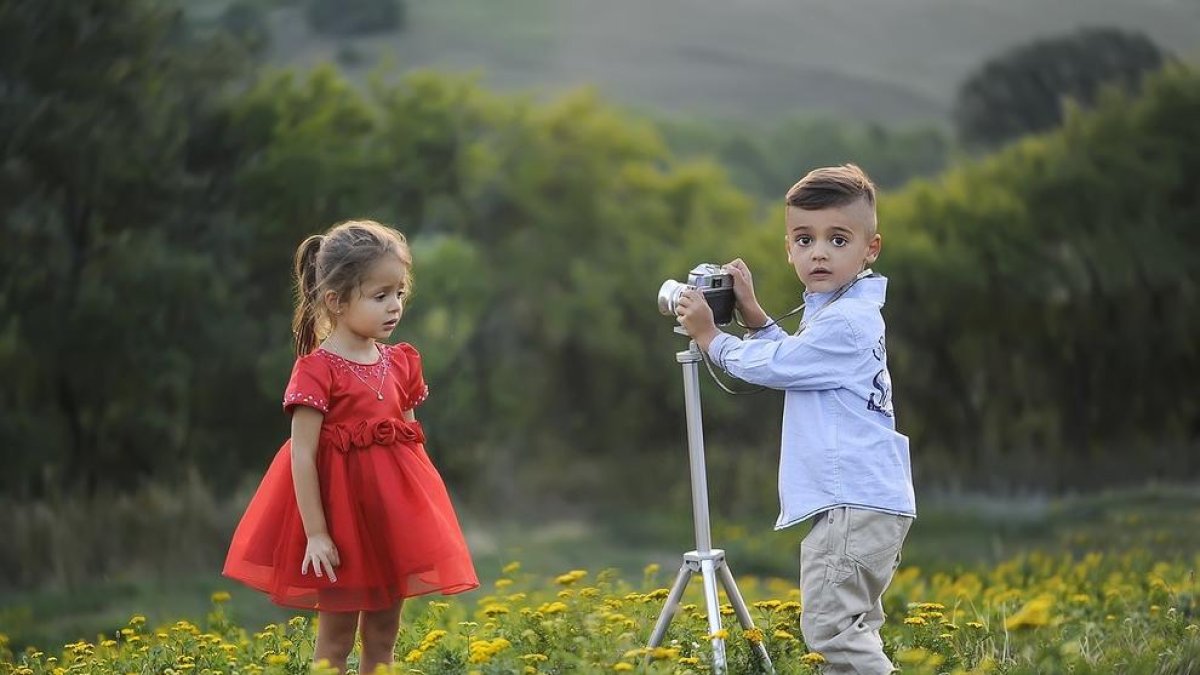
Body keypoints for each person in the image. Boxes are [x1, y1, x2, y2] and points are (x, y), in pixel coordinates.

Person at [674, 164, 915, 674]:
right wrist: (756, 317)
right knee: (851, 630)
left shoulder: (847, 321)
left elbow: (779, 367)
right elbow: (799, 361)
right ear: (788, 248)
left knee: (830, 628)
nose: (819, 252)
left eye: (838, 239)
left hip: (853, 499)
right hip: (866, 498)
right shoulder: (837, 309)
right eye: (804, 239)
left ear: (871, 248)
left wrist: (710, 338)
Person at [223, 219, 478, 674]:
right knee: (336, 642)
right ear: (336, 302)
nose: (394, 306)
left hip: (388, 524)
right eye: (379, 296)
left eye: (399, 293)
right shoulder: (317, 370)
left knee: (383, 637)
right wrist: (318, 533)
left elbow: (412, 444)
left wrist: (421, 519)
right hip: (341, 528)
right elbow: (301, 455)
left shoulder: (400, 362)